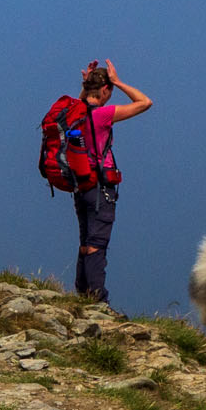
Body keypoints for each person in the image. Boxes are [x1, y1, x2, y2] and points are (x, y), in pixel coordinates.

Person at [71, 59, 152, 305]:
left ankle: (82, 295)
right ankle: (98, 301)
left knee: (86, 241)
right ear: (105, 90)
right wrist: (117, 81)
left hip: (80, 184)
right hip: (100, 187)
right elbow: (145, 102)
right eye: (110, 90)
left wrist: (85, 86)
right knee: (97, 243)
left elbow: (81, 102)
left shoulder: (75, 112)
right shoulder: (104, 114)